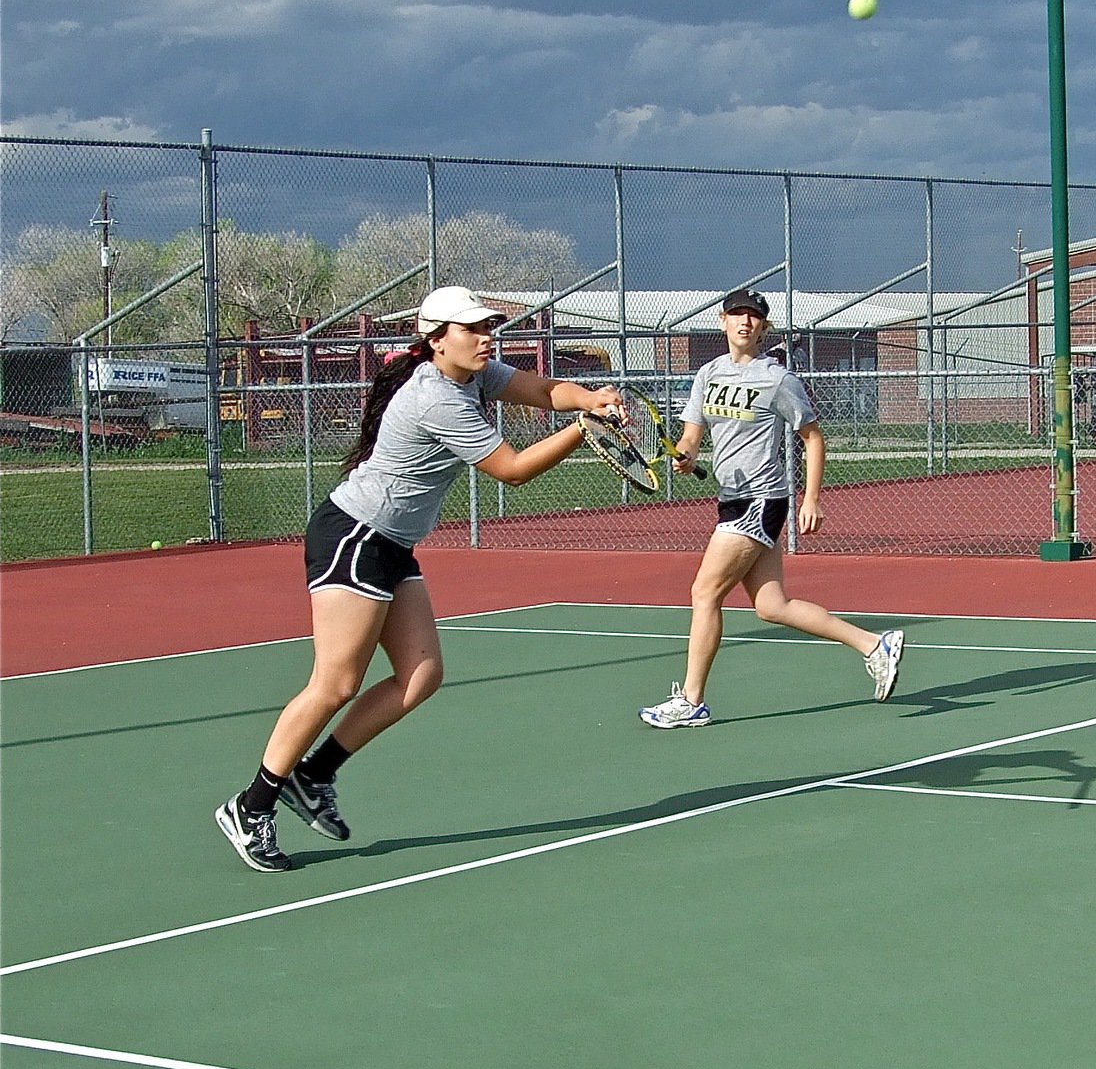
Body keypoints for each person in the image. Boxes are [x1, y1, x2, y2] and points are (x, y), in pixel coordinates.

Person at [216, 286, 625, 871]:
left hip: (392, 541)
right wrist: (585, 431)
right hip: (355, 536)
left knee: (421, 674)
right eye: (472, 329)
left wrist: (589, 397)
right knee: (335, 684)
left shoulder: (473, 375)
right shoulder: (436, 398)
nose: (486, 337)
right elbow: (510, 470)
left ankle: (313, 775)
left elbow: (540, 389)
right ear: (437, 340)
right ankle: (252, 807)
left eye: (489, 326)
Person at [637, 289, 904, 729]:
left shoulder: (778, 379)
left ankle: (691, 699)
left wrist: (812, 497)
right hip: (730, 498)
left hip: (763, 500)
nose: (745, 322)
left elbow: (813, 439)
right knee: (772, 606)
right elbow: (690, 438)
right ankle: (875, 645)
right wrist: (685, 457)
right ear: (723, 322)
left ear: (763, 327)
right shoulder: (707, 374)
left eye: (754, 317)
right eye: (737, 314)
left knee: (705, 593)